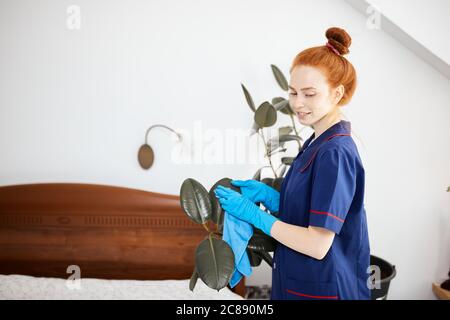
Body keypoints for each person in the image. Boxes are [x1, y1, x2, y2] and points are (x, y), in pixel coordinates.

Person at [215, 27, 370, 300]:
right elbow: (309, 209)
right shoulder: (317, 141)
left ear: (337, 93)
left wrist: (256, 215)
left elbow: (318, 244)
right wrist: (271, 196)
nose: (298, 103)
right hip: (300, 284)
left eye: (309, 94)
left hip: (325, 289)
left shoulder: (335, 152)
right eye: (293, 92)